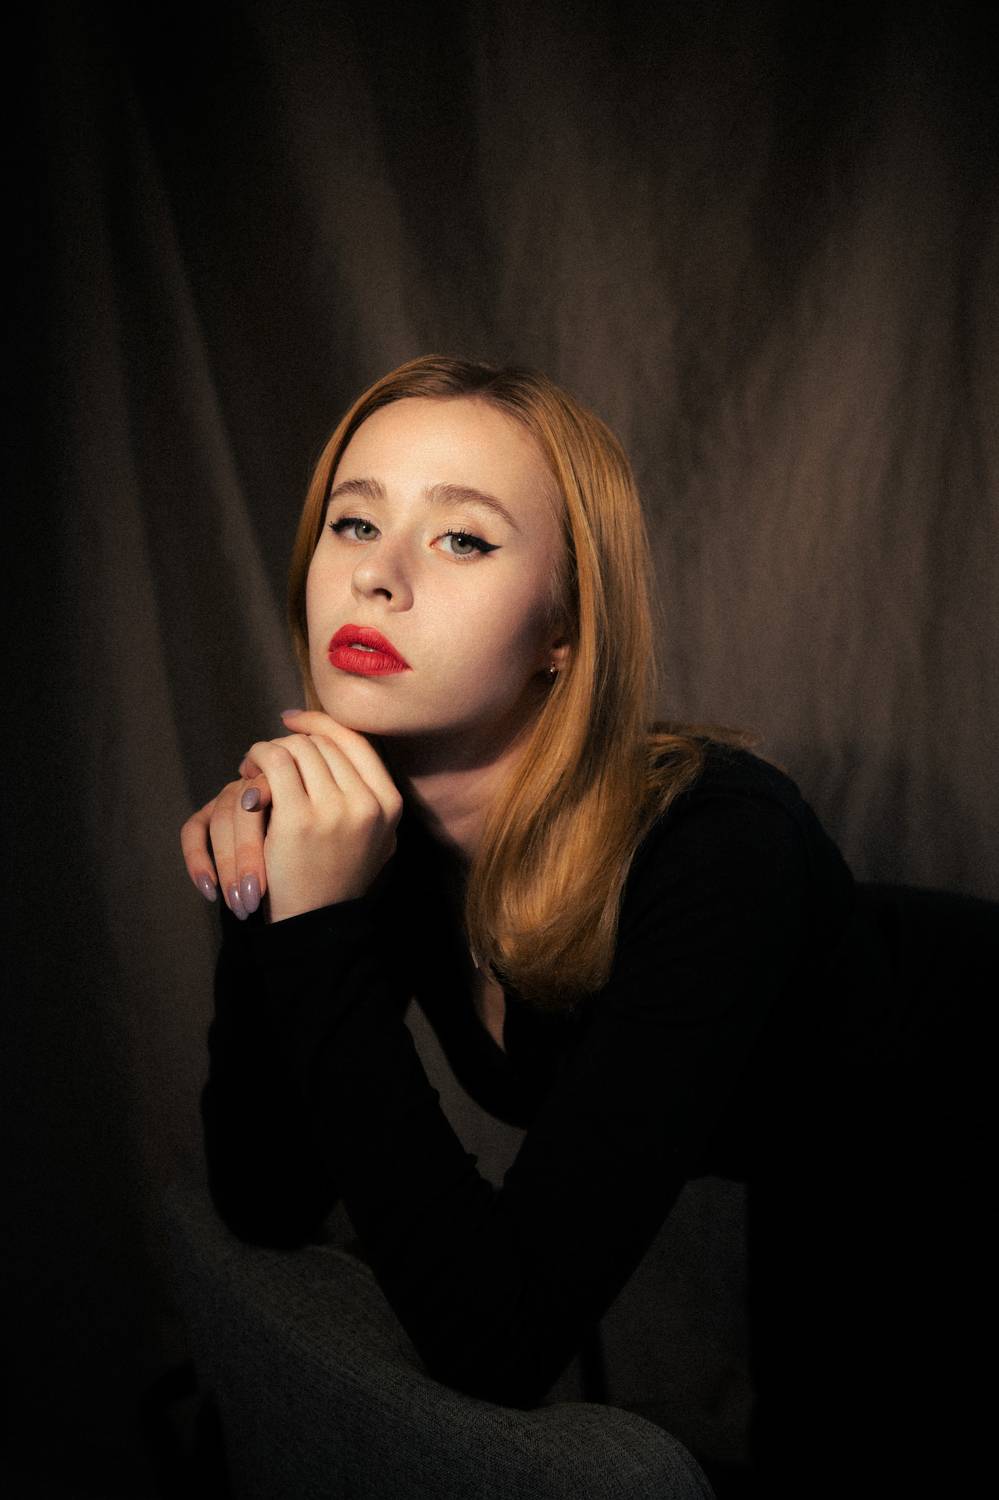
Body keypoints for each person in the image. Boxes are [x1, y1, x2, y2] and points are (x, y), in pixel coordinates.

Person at [180, 355, 994, 1497]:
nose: (378, 577)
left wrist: (313, 933)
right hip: (820, 1160)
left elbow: (497, 1340)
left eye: (462, 539)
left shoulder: (721, 844)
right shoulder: (371, 836)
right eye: (354, 522)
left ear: (562, 626)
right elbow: (263, 1195)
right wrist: (270, 883)